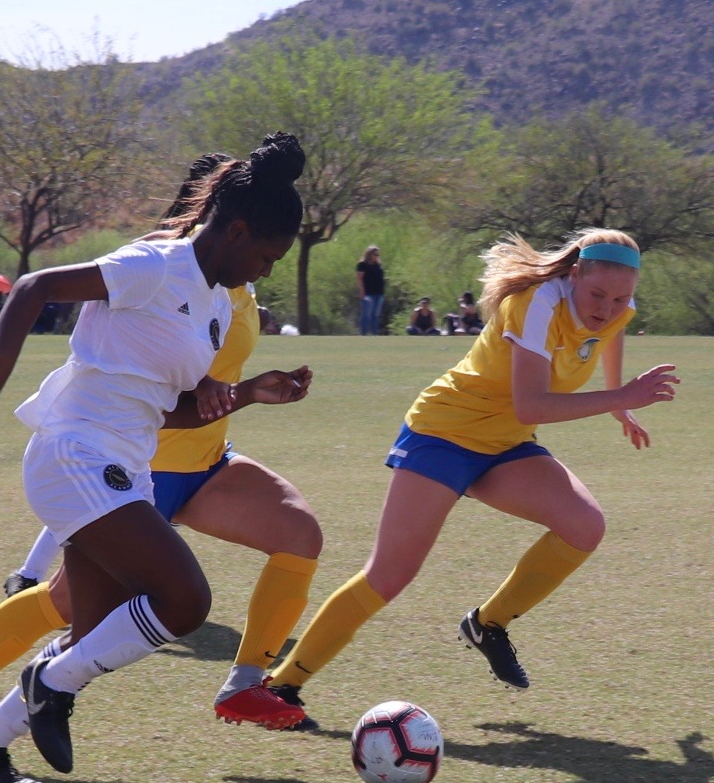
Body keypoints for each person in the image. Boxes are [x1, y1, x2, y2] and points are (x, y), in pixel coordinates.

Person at [0, 133, 311, 783]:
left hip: (124, 463)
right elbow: (38, 286)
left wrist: (246, 393)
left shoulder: (215, 304)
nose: (266, 271)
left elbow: (168, 408)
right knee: (184, 600)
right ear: (237, 230)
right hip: (73, 450)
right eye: (267, 255)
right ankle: (46, 683)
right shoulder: (155, 265)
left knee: (89, 638)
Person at [265, 229, 677, 728]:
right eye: (598, 295)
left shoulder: (612, 309)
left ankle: (488, 624)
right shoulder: (537, 303)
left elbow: (605, 341)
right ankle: (283, 685)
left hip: (504, 444)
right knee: (390, 574)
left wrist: (620, 404)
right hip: (445, 434)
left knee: (585, 525)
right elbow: (533, 403)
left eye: (621, 298)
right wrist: (621, 398)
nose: (608, 308)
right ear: (573, 275)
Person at [356, 245, 385, 335]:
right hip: (367, 293)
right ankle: (363, 334)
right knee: (366, 314)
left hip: (379, 293)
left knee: (375, 315)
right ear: (369, 254)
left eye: (378, 254)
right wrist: (361, 291)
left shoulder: (378, 265)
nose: (377, 256)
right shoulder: (362, 265)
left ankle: (374, 334)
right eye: (375, 254)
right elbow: (359, 278)